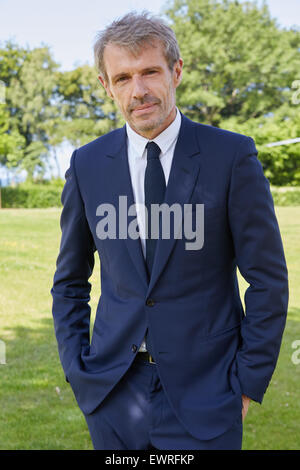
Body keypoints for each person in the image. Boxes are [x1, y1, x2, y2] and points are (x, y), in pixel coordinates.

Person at [51, 12, 289, 450]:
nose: (137, 90)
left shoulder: (231, 157)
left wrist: (247, 381)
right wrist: (79, 372)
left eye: (149, 72)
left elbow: (268, 280)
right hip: (113, 394)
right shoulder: (86, 165)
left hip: (208, 391)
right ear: (106, 86)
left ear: (176, 71)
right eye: (122, 78)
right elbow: (69, 282)